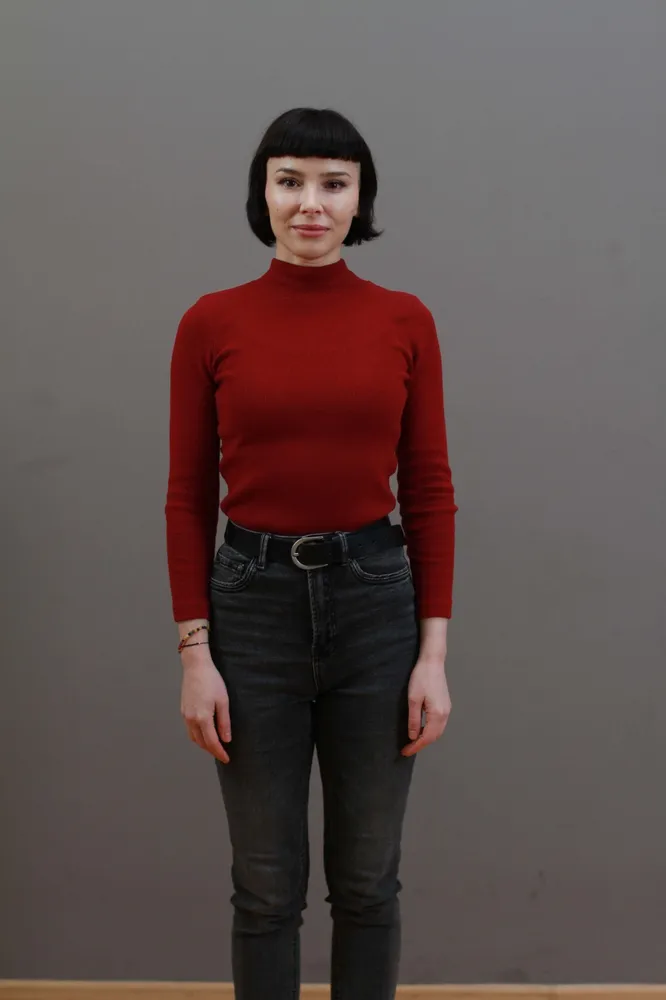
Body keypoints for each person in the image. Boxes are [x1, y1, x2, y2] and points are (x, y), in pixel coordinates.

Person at [165, 106, 458, 1000]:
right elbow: (186, 496)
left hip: (377, 608)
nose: (311, 204)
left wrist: (433, 656)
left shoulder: (405, 320)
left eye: (334, 184)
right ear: (262, 194)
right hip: (251, 609)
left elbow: (429, 489)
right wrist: (195, 655)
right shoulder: (210, 323)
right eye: (289, 181)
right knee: (264, 890)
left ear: (360, 199)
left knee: (368, 883)